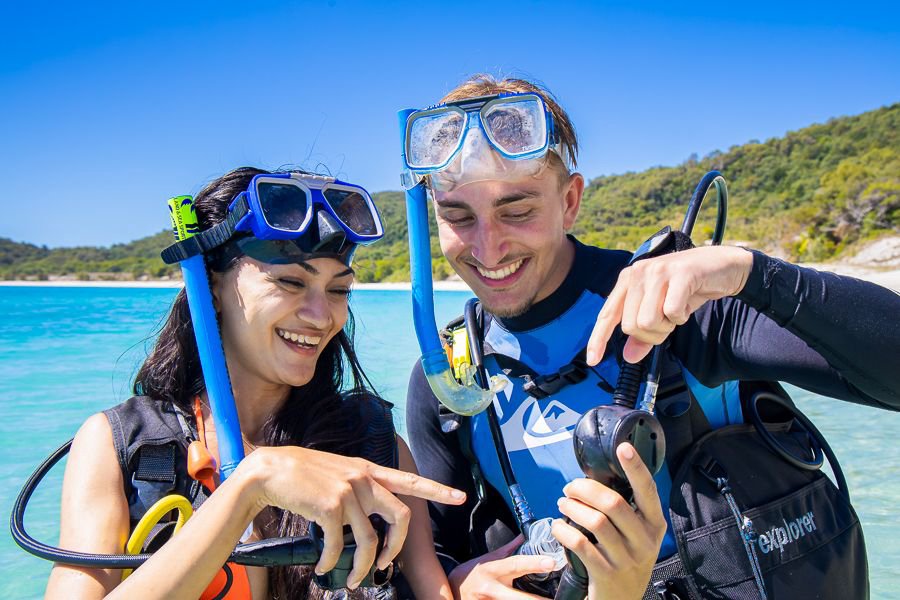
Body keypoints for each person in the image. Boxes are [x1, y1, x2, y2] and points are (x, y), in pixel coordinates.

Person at [401, 75, 900, 599]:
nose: (488, 247)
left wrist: (752, 276)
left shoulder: (679, 307)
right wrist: (458, 584)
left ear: (570, 201)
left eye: (518, 210)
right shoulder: (450, 375)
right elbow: (435, 552)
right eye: (458, 216)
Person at [44, 167, 465, 600]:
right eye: (290, 282)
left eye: (338, 290)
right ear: (210, 288)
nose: (321, 317)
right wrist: (251, 487)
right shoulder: (122, 446)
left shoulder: (374, 447)